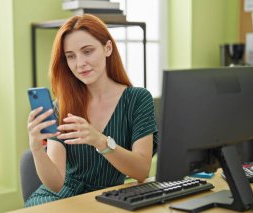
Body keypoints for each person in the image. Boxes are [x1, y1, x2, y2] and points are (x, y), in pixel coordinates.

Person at [26, 14, 158, 207]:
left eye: (87, 51)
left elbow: (141, 170)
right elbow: (55, 184)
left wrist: (100, 140)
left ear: (108, 48)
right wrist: (36, 148)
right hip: (59, 200)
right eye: (70, 56)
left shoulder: (137, 99)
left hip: (108, 199)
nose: (80, 64)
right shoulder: (62, 106)